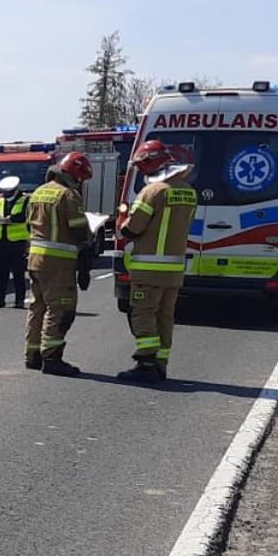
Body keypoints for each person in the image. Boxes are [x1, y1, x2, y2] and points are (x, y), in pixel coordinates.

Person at [116, 140, 196, 383]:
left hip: (149, 268)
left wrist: (121, 225)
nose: (141, 171)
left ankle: (146, 363)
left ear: (151, 163)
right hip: (174, 270)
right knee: (165, 316)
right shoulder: (188, 191)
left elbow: (132, 228)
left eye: (142, 166)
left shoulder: (153, 192)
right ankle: (160, 364)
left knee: (143, 313)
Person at [23, 152, 93, 376]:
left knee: (38, 307)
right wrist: (89, 242)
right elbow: (79, 228)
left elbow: (28, 225)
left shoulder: (38, 192)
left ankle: (32, 354)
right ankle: (52, 357)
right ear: (74, 175)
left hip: (35, 259)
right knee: (60, 309)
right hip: (58, 263)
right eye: (80, 179)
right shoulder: (68, 195)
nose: (80, 183)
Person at [0, 178, 30, 308]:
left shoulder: (25, 200)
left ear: (15, 190)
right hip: (1, 240)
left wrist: (9, 219)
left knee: (18, 273)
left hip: (17, 241)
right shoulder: (1, 200)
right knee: (0, 272)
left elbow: (23, 216)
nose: (6, 194)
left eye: (9, 192)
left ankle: (19, 300)